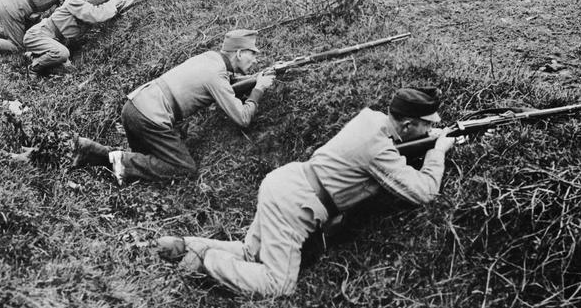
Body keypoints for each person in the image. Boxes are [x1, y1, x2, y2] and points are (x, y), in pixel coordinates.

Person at [155, 87, 459, 297]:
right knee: (278, 285)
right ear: (406, 125)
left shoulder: (373, 120)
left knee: (252, 253)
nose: (432, 130)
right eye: (426, 126)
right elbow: (424, 192)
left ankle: (186, 245)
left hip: (287, 184)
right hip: (297, 204)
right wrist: (438, 152)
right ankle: (206, 262)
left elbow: (391, 150)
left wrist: (426, 137)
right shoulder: (378, 148)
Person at [71, 29, 276, 184]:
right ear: (239, 53)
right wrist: (259, 89)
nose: (255, 59)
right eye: (252, 54)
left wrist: (253, 78)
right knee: (184, 168)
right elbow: (243, 118)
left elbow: (226, 87)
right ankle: (112, 157)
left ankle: (96, 152)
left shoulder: (210, 58)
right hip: (149, 119)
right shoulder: (216, 75)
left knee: (148, 161)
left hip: (133, 108)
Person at [22, 0, 127, 76]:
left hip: (57, 39)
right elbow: (96, 15)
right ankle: (34, 67)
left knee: (69, 69)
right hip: (37, 35)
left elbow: (107, 9)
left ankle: (33, 55)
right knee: (62, 54)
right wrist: (112, 3)